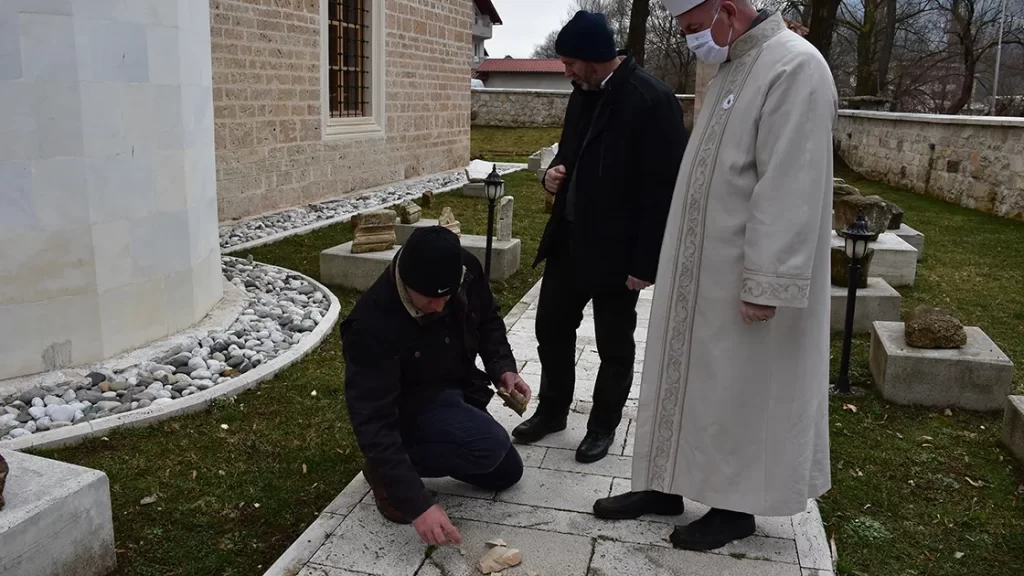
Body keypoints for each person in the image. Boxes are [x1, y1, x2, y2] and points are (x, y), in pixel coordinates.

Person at [592, 0, 837, 552]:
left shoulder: (795, 66)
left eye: (695, 28)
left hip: (744, 276)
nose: (691, 41)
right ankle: (664, 486)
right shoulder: (734, 64)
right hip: (699, 273)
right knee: (685, 382)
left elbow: (790, 183)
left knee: (739, 389)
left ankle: (735, 506)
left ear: (727, 9)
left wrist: (766, 281)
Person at [513, 10, 688, 464]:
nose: (566, 71)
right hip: (570, 242)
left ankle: (602, 426)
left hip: (618, 252)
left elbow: (663, 190)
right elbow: (569, 157)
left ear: (594, 57)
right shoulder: (582, 93)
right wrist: (551, 179)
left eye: (570, 62)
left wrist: (645, 263)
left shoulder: (651, 99)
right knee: (550, 328)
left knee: (613, 343)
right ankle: (552, 411)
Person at [340, 226, 532, 546]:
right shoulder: (370, 327)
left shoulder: (464, 269)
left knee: (507, 472)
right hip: (412, 405)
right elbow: (372, 421)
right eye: (429, 299)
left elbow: (486, 319)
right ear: (406, 281)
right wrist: (418, 504)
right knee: (489, 446)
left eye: (446, 296)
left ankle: (407, 460)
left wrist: (503, 368)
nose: (440, 306)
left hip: (456, 383)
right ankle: (384, 472)